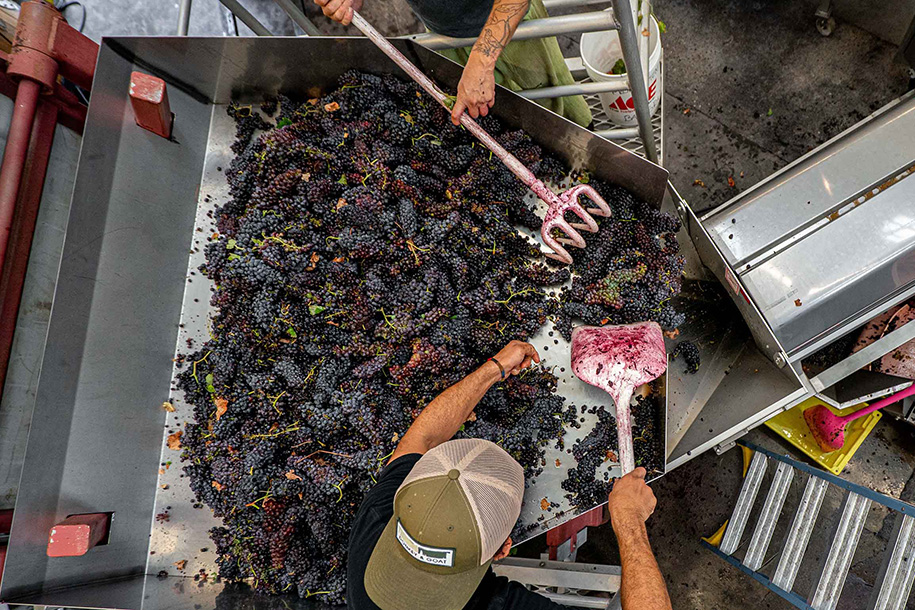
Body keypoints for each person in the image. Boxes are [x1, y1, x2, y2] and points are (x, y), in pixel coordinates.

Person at [347, 340, 673, 610]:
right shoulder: (494, 605)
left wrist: (495, 368)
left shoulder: (374, 528)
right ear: (504, 549)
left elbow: (421, 439)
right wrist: (628, 523)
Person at [313, 0, 593, 128]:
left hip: (512, 30)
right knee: (488, 119)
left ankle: (586, 157)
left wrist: (482, 61)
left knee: (551, 106)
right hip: (442, 33)